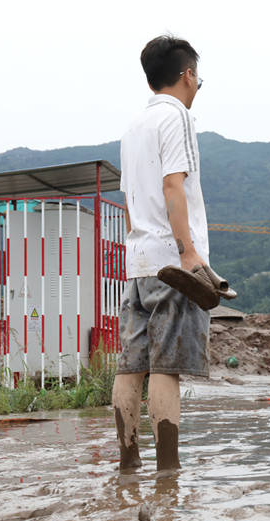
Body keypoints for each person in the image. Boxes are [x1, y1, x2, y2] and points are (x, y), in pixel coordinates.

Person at [112, 35, 210, 471]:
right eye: (198, 77)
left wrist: (140, 249)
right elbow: (173, 185)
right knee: (166, 367)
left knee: (131, 366)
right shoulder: (177, 117)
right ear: (187, 74)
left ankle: (128, 463)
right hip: (171, 262)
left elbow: (130, 200)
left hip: (138, 261)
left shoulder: (133, 127)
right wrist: (187, 254)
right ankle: (168, 471)